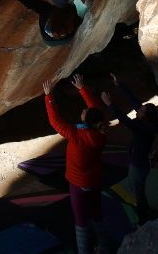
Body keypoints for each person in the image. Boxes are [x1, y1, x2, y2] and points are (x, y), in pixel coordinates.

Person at [43, 74, 109, 254]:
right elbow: (95, 110)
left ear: (85, 121)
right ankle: (104, 247)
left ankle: (83, 251)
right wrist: (82, 88)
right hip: (94, 181)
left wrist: (49, 96)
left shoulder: (77, 136)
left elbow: (55, 121)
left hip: (78, 183)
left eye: (84, 112)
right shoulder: (100, 133)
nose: (83, 110)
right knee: (96, 213)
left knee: (80, 220)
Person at [101, 73, 158, 222]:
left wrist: (110, 105)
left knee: (138, 192)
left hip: (138, 165)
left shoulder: (143, 129)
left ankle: (143, 218)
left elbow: (125, 120)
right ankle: (144, 212)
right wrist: (119, 84)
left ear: (145, 116)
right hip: (139, 162)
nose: (138, 111)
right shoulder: (148, 122)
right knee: (137, 190)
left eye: (141, 111)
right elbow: (135, 102)